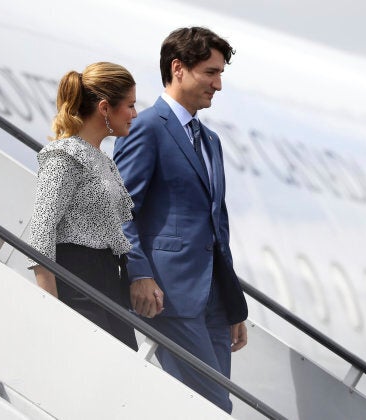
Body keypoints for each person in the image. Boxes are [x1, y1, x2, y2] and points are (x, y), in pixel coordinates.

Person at [113, 27, 248, 413]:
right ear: (178, 68)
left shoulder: (210, 141)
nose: (218, 84)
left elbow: (216, 228)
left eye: (220, 74)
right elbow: (120, 207)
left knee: (211, 407)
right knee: (212, 406)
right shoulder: (146, 127)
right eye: (211, 72)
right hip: (167, 294)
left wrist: (231, 304)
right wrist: (139, 273)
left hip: (213, 302)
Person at [28, 62, 139, 351]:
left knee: (123, 365)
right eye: (129, 105)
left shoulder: (103, 160)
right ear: (104, 108)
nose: (134, 114)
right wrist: (49, 305)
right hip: (76, 279)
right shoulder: (63, 155)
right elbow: (41, 230)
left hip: (106, 279)